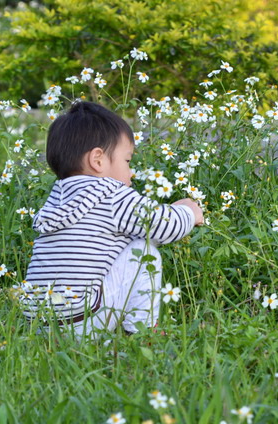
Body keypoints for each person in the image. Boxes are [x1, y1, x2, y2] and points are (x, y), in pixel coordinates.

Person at [22, 100, 203, 337]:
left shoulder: (57, 200)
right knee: (143, 250)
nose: (131, 172)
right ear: (98, 160)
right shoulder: (111, 193)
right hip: (83, 320)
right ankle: (142, 333)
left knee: (128, 242)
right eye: (127, 161)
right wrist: (188, 211)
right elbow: (162, 226)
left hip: (40, 324)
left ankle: (95, 341)